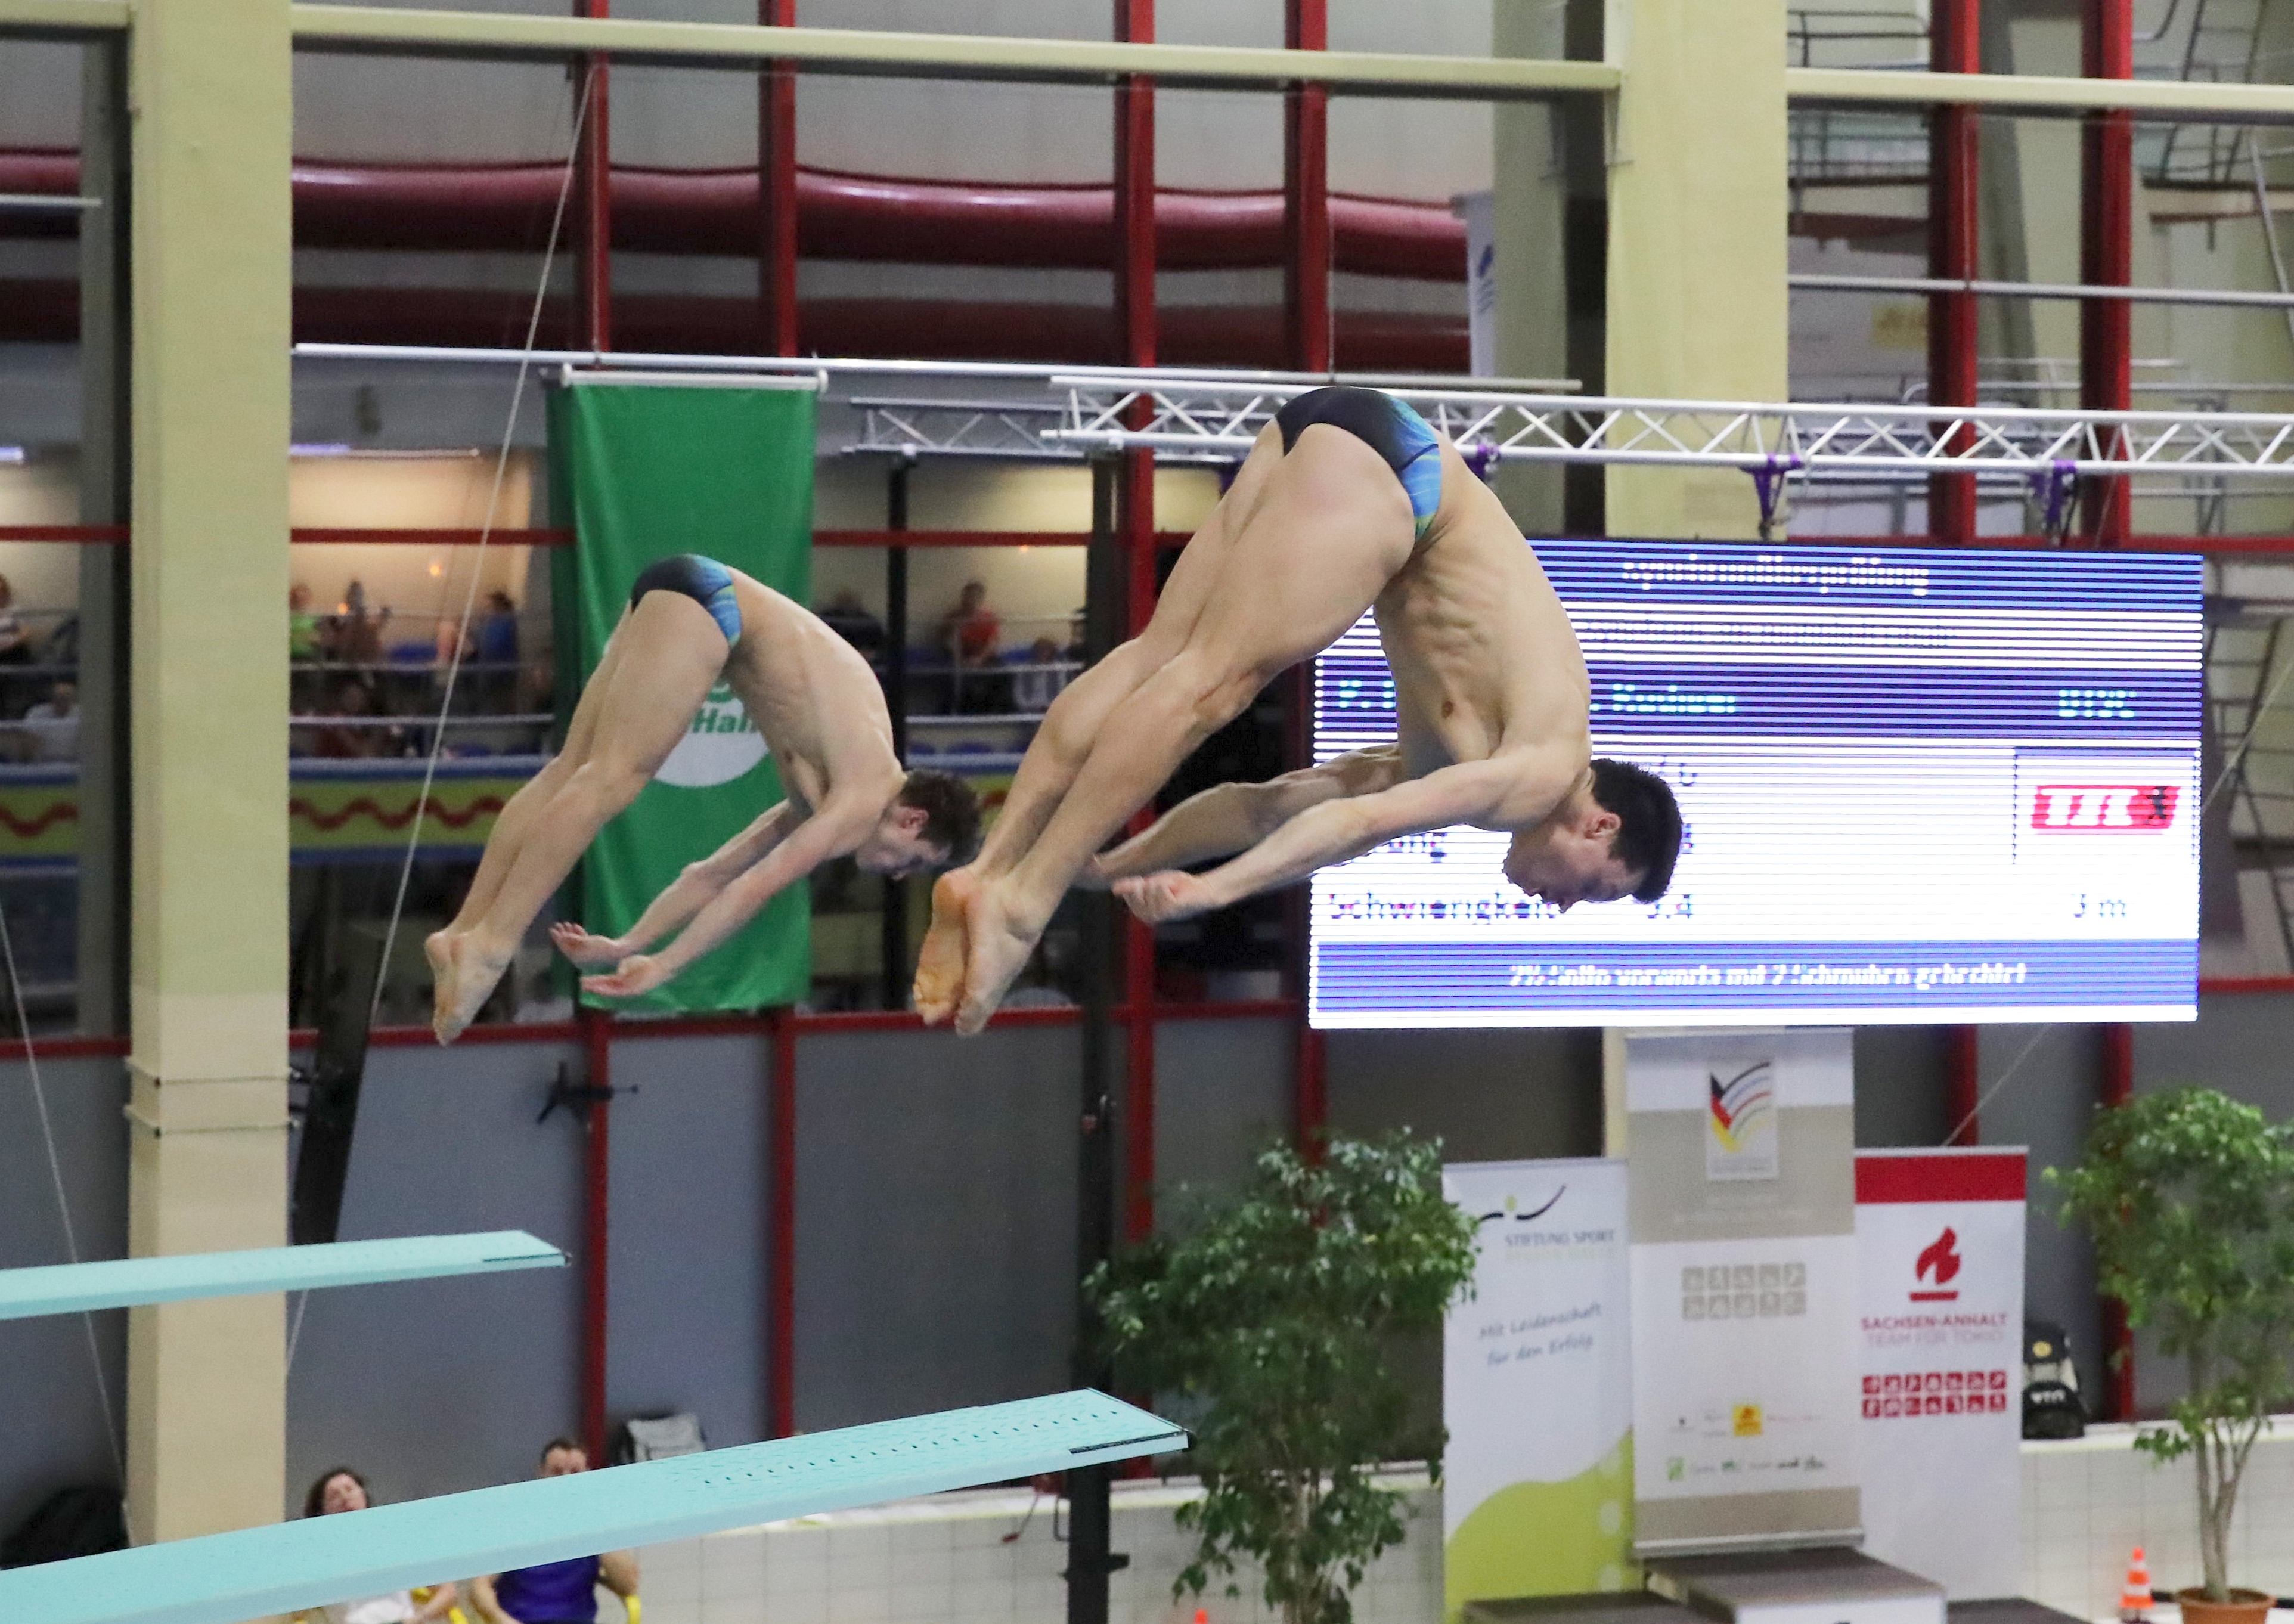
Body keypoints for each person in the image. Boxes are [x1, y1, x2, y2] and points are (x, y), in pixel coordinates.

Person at [913, 385, 1684, 1034]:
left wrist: (1116, 865)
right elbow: (1355, 831)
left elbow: (1266, 809)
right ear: (1600, 825)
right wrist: (1218, 891)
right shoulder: (1539, 776)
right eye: (1592, 889)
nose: (1561, 906)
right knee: (1214, 685)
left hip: (1339, 433)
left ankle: (993, 868)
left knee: (1157, 658)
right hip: (1394, 478)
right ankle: (1021, 902)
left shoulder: (1494, 753)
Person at [430, 553, 981, 1043]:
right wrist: (666, 968)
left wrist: (631, 944)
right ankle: (493, 944)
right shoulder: (860, 800)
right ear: (913, 820)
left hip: (690, 589)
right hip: (712, 605)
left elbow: (711, 874)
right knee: (613, 779)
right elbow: (753, 890)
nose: (899, 874)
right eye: (913, 861)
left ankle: (463, 932)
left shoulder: (838, 787)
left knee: (571, 770)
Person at [469, 1440, 637, 1624]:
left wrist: (597, 1524)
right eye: (557, 1472)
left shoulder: (595, 1525)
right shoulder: (515, 1523)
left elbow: (628, 1586)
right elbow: (479, 1588)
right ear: (541, 1474)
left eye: (575, 1473)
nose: (566, 1480)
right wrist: (501, 1620)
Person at [294, 1468, 461, 1624]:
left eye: (350, 1489)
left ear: (364, 1495)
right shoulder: (319, 1559)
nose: (345, 1498)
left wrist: (419, 1618)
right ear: (323, 1511)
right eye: (334, 1496)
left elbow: (448, 1592)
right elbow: (295, 1608)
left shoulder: (394, 1541)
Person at [817, 587, 885, 661]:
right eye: (844, 600)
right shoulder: (829, 620)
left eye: (850, 601)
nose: (848, 604)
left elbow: (877, 647)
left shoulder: (868, 622)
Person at [20, 678, 77, 761]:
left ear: (73, 699)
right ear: (52, 699)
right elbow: (28, 744)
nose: (61, 702)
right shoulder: (36, 713)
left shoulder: (83, 714)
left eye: (66, 698)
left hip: (74, 763)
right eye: (58, 698)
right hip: (43, 765)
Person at [1010, 636, 1070, 713]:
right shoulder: (1025, 669)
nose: (1044, 652)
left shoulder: (1060, 669)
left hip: (1053, 710)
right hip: (1029, 711)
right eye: (1041, 649)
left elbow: (1062, 691)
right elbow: (1019, 693)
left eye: (1047, 649)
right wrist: (1028, 707)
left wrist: (1052, 707)